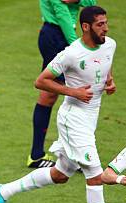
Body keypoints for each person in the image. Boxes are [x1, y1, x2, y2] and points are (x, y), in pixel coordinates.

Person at [0, 6, 116, 203]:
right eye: (100, 24)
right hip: (73, 119)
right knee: (95, 175)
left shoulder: (110, 45)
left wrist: (110, 83)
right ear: (86, 26)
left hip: (90, 120)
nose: (106, 28)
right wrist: (73, 91)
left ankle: (3, 191)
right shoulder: (71, 54)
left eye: (106, 23)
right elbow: (41, 81)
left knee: (60, 175)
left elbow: (105, 69)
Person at [29, 0, 97, 168]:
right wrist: (78, 46)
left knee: (53, 95)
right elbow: (62, 14)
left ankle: (72, 155)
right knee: (58, 92)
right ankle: (42, 155)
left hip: (66, 37)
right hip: (56, 36)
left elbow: (91, 5)